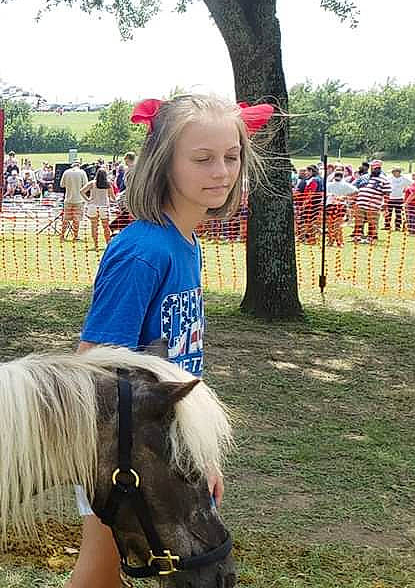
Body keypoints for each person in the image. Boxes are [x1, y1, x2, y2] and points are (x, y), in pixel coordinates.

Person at [68, 94, 271, 588]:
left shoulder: (185, 241)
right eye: (202, 158)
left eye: (232, 155)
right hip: (130, 454)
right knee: (96, 577)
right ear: (163, 162)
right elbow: (93, 364)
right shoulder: (142, 251)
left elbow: (179, 362)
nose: (221, 170)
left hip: (168, 445)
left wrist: (202, 456)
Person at [352, 161, 390, 243]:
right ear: (371, 168)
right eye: (374, 168)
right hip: (361, 203)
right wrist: (355, 199)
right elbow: (355, 187)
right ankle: (357, 237)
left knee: (372, 222)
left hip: (374, 205)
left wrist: (385, 204)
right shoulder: (364, 177)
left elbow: (387, 193)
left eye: (378, 168)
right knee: (359, 221)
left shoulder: (384, 179)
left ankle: (372, 238)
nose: (375, 169)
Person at [80, 168, 115, 249]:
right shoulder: (108, 184)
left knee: (94, 226)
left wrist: (88, 200)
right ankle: (108, 244)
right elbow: (113, 197)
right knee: (106, 227)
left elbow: (81, 191)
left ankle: (96, 245)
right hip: (104, 207)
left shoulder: (92, 183)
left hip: (92, 206)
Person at [324, 171, 356, 246]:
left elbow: (324, 193)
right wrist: (346, 196)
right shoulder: (345, 184)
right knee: (337, 224)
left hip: (330, 205)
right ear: (342, 177)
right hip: (341, 205)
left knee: (330, 224)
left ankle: (331, 241)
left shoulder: (329, 184)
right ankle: (339, 241)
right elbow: (356, 191)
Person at [59, 160, 88, 241]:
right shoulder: (82, 173)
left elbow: (62, 185)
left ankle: (62, 235)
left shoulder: (66, 172)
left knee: (65, 218)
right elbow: (86, 185)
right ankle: (75, 236)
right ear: (79, 165)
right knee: (77, 219)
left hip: (68, 199)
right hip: (79, 199)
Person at [384, 166, 412, 231]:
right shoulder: (389, 179)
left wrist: (406, 190)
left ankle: (398, 226)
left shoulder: (404, 179)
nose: (394, 173)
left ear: (399, 172)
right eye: (393, 171)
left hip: (399, 198)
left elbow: (412, 185)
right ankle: (387, 226)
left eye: (395, 171)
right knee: (388, 213)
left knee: (398, 214)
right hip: (390, 198)